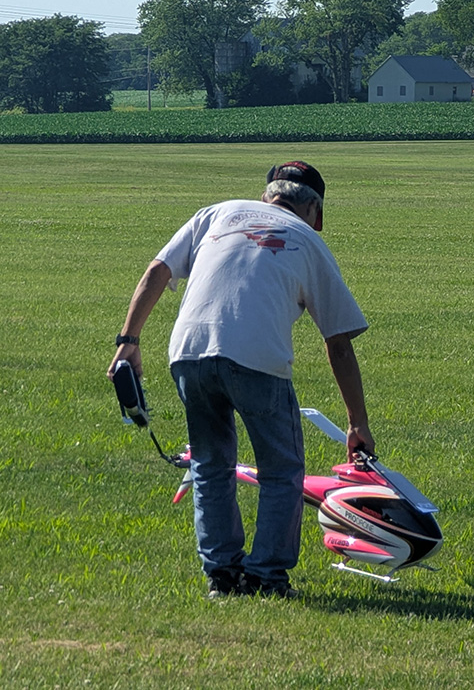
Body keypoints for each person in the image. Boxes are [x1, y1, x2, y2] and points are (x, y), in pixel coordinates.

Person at [107, 160, 374, 599]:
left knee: (211, 467)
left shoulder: (217, 212)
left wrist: (128, 341)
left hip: (188, 351)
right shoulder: (307, 239)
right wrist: (357, 423)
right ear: (316, 213)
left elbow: (157, 271)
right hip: (257, 358)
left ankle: (222, 576)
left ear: (268, 195)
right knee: (281, 470)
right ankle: (266, 576)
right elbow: (339, 344)